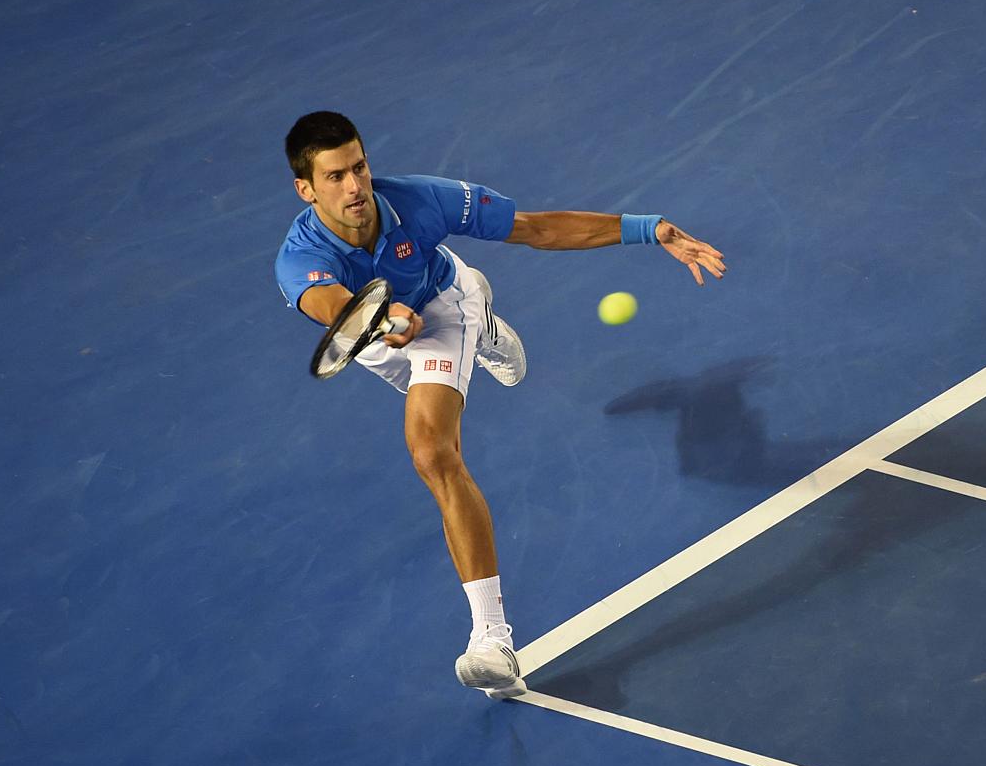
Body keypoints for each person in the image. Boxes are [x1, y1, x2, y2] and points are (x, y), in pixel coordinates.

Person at [274, 111, 726, 700]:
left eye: (358, 167)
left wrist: (650, 228)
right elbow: (331, 302)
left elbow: (536, 229)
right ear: (306, 189)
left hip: (441, 309)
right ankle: (489, 332)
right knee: (419, 406)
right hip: (377, 338)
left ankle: (492, 639)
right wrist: (379, 317)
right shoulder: (298, 258)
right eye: (334, 177)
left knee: (433, 453)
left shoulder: (419, 200)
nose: (355, 186)